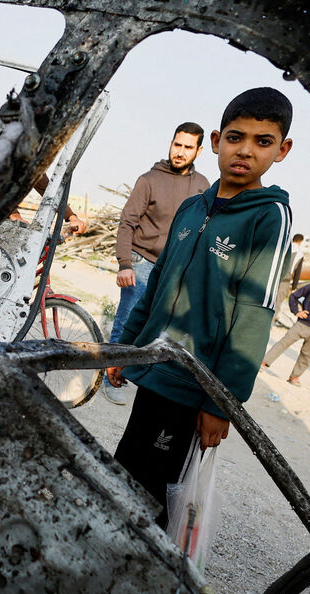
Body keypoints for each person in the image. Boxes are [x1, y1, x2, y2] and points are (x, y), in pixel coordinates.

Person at [106, 87, 295, 528]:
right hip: (154, 366)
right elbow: (155, 290)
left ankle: (139, 579)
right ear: (215, 141)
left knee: (155, 498)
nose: (245, 150)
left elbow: (254, 313)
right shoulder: (192, 208)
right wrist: (126, 349)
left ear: (281, 150)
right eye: (235, 137)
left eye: (262, 141)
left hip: (195, 386)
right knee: (122, 473)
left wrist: (221, 402)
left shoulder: (270, 218)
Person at [102, 122, 211, 405]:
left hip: (174, 269)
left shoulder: (203, 186)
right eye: (177, 144)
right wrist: (124, 262)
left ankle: (143, 376)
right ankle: (109, 377)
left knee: (164, 327)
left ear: (198, 151)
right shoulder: (149, 179)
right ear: (171, 144)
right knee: (127, 321)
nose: (180, 152)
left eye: (188, 147)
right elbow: (127, 222)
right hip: (140, 262)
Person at [273, 233, 305, 326]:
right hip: (285, 281)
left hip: (274, 277)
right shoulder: (300, 253)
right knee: (277, 303)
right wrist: (294, 287)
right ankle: (270, 325)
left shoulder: (283, 246)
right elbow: (297, 273)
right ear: (300, 242)